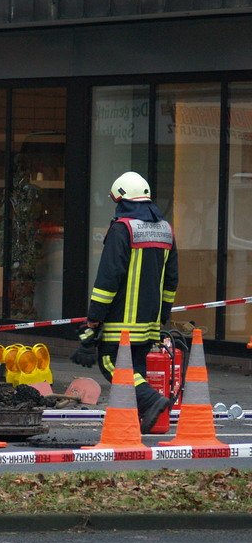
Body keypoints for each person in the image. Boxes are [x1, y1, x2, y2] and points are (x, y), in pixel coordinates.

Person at [72, 170, 178, 433]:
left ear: (122, 199)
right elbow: (172, 279)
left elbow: (108, 279)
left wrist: (94, 319)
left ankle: (152, 401)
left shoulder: (122, 229)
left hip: (121, 322)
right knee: (137, 369)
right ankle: (135, 422)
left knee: (111, 364)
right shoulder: (165, 230)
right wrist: (162, 314)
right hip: (150, 322)